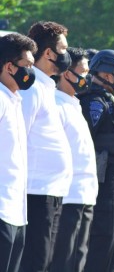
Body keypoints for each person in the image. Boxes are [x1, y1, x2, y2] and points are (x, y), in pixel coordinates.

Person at [19, 21, 73, 272]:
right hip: (36, 192)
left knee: (46, 261)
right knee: (35, 262)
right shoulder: (31, 89)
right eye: (63, 48)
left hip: (51, 190)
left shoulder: (46, 87)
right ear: (49, 53)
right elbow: (20, 138)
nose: (67, 54)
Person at [78, 49, 114, 272]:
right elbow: (87, 142)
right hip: (105, 178)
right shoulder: (94, 102)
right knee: (103, 235)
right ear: (106, 73)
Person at [51, 47, 98, 272]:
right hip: (68, 196)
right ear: (66, 73)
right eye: (83, 71)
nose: (87, 77)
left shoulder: (74, 103)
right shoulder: (56, 105)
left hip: (85, 193)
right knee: (65, 259)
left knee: (79, 256)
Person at [0, 33, 37, 272]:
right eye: (28, 66)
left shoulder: (14, 99)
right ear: (9, 67)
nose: (32, 72)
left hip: (16, 210)